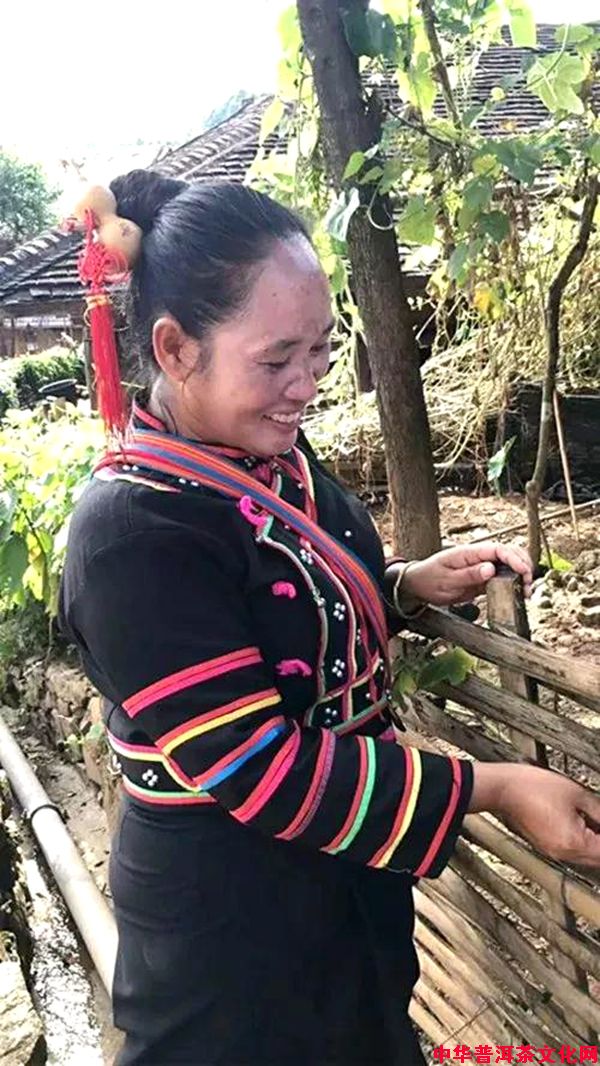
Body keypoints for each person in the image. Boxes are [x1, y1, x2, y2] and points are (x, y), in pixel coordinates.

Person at [59, 172, 600, 1066]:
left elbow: (290, 622)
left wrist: (404, 587)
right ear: (175, 348)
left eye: (319, 350)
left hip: (348, 887)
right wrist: (493, 788)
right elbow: (256, 766)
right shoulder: (132, 536)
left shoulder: (273, 454)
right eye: (277, 359)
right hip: (233, 933)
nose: (305, 385)